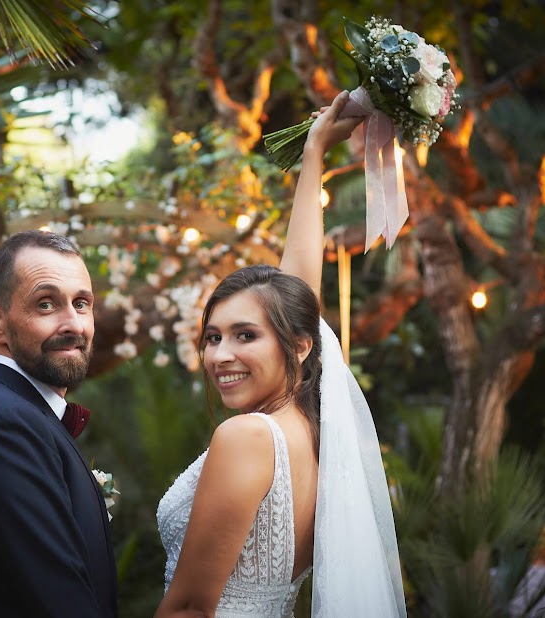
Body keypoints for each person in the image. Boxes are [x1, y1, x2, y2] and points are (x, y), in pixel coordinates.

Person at [155, 91, 407, 617]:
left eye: (245, 335)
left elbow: (188, 610)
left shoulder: (248, 436)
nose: (222, 354)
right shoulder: (313, 432)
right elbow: (296, 295)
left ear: (297, 345)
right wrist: (313, 153)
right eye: (213, 337)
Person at [0, 231, 117, 617]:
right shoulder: (3, 426)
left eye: (81, 304)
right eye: (46, 304)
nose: (73, 324)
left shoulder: (23, 414)